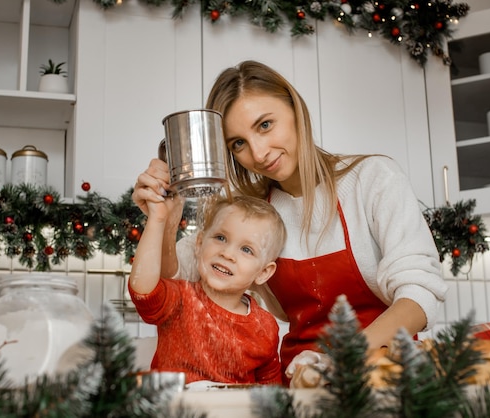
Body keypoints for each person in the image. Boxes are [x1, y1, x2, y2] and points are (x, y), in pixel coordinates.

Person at [132, 60, 448, 386]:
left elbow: (419, 296)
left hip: (386, 374)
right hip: (299, 382)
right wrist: (165, 218)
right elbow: (175, 275)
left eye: (265, 125)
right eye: (237, 143)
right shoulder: (256, 213)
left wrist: (341, 362)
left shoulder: (373, 180)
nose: (258, 153)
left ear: (295, 109)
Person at [128, 194, 285, 386]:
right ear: (200, 243)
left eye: (246, 250)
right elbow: (143, 292)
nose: (227, 254)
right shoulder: (179, 298)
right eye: (221, 238)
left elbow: (271, 390)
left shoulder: (266, 326)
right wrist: (157, 220)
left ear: (263, 272)